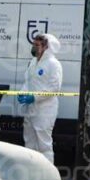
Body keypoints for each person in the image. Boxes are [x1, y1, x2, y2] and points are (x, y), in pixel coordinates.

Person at [17, 32, 63, 164]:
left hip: (45, 110)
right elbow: (28, 81)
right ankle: (31, 170)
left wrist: (34, 97)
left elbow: (54, 88)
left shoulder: (53, 64)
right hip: (30, 109)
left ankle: (47, 172)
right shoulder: (33, 62)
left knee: (44, 144)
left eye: (37, 45)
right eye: (33, 44)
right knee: (29, 142)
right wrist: (23, 93)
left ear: (46, 47)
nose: (34, 47)